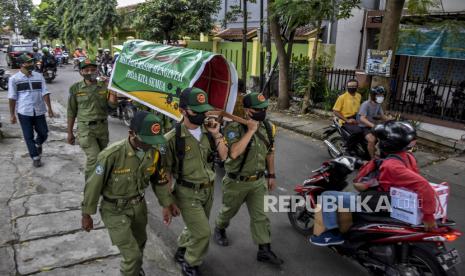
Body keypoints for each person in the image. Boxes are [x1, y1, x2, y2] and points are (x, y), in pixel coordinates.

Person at [81, 111, 178, 276]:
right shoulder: (112, 155)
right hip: (114, 210)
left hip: (139, 207)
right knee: (132, 255)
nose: (150, 145)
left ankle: (134, 269)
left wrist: (167, 205)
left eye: (153, 141)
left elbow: (160, 181)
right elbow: (93, 186)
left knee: (140, 243)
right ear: (131, 134)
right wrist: (87, 214)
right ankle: (131, 268)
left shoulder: (154, 154)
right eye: (146, 140)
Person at [309, 121, 437, 246]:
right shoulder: (407, 157)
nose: (375, 145)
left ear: (387, 145)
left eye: (379, 142)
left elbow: (361, 185)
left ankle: (332, 234)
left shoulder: (390, 166)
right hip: (396, 200)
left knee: (327, 196)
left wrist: (428, 216)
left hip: (381, 202)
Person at [157, 88, 228, 276]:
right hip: (186, 193)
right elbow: (164, 174)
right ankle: (190, 263)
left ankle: (182, 250)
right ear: (182, 110)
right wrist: (167, 203)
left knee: (196, 226)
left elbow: (224, 156)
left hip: (208, 190)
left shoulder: (209, 130)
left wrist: (216, 134)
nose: (202, 114)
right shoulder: (172, 139)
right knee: (203, 232)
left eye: (204, 110)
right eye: (196, 111)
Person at [214, 92, 283, 265]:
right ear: (247, 111)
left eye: (265, 108)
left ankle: (264, 249)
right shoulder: (233, 128)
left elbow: (270, 153)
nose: (263, 112)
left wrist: (272, 174)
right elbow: (234, 153)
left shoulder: (268, 127)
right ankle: (219, 227)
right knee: (228, 211)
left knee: (261, 216)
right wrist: (251, 130)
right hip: (236, 181)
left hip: (258, 182)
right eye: (258, 109)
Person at [67, 58, 117, 180]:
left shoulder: (104, 86)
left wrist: (112, 91)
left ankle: (100, 182)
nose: (90, 72)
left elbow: (112, 105)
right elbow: (71, 111)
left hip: (102, 128)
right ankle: (90, 186)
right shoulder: (75, 88)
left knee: (103, 157)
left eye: (93, 70)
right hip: (85, 129)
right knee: (94, 157)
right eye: (87, 70)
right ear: (81, 72)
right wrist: (69, 132)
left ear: (97, 71)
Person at [8, 54, 54, 167]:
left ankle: (38, 143)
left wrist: (50, 109)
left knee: (44, 133)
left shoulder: (39, 76)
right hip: (24, 112)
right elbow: (12, 97)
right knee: (28, 136)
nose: (31, 64)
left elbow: (45, 92)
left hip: (39, 110)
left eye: (31, 62)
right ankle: (35, 157)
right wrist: (12, 114)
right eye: (28, 62)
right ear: (21, 64)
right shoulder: (14, 79)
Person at [357, 86, 391, 159]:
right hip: (364, 127)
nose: (381, 97)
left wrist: (389, 119)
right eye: (379, 95)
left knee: (386, 137)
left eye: (382, 95)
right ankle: (372, 159)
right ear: (373, 95)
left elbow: (382, 116)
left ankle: (377, 151)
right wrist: (373, 125)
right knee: (372, 140)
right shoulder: (366, 104)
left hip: (373, 126)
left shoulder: (378, 105)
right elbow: (362, 118)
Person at [332, 79, 362, 153]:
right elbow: (335, 111)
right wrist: (347, 120)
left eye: (354, 86)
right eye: (350, 86)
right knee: (358, 131)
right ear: (347, 87)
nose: (352, 87)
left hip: (356, 119)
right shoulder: (342, 97)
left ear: (357, 87)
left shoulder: (359, 96)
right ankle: (347, 147)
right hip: (345, 120)